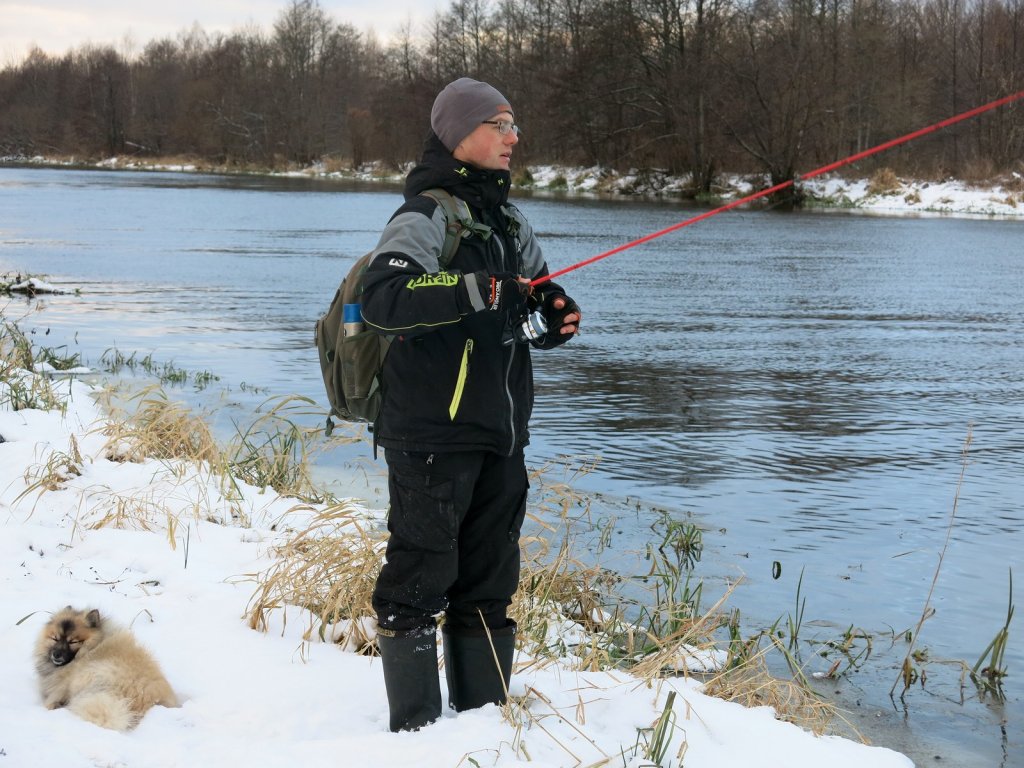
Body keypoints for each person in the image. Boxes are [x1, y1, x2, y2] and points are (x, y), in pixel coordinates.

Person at [360, 77, 581, 732]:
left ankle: (483, 726)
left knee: (490, 585)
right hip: (431, 435)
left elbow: (532, 297)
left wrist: (554, 314)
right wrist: (474, 290)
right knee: (418, 581)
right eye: (499, 124)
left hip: (502, 437)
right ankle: (417, 732)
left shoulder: (511, 223)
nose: (514, 137)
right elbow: (383, 299)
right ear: (460, 134)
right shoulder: (425, 215)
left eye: (514, 125)